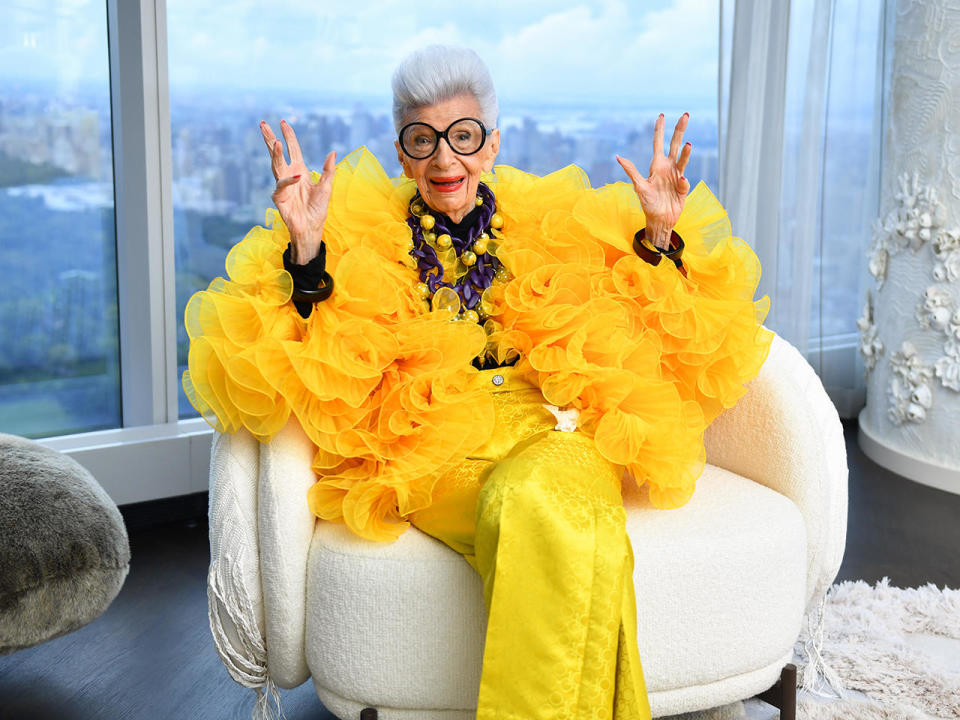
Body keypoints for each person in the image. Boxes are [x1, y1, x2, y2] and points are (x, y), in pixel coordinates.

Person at [184, 45, 773, 719]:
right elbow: (312, 351)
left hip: (556, 429)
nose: (444, 161)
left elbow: (642, 319)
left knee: (548, 503)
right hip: (435, 447)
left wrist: (662, 235)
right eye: (422, 140)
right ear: (402, 153)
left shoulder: (548, 218)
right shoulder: (360, 229)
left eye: (462, 137)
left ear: (490, 144)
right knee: (564, 526)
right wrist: (310, 253)